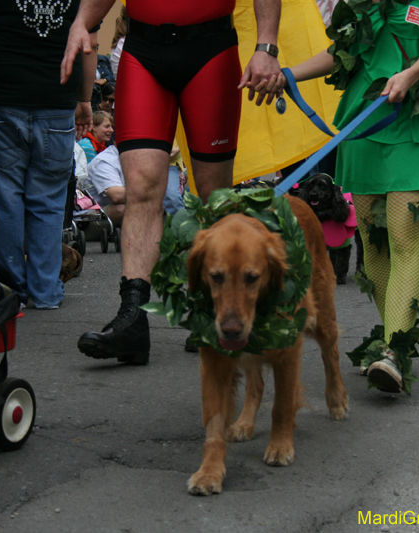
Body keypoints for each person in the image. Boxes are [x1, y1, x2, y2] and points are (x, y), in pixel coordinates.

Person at [62, 0, 282, 365]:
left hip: (211, 49)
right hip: (143, 52)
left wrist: (266, 46)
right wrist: (82, 22)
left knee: (214, 194)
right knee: (143, 189)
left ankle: (217, 310)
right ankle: (133, 317)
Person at [274, 0, 419, 393]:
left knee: (405, 241)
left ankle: (394, 351)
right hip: (364, 124)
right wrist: (287, 75)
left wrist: (409, 75)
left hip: (413, 122)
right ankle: (392, 338)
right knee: (374, 249)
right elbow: (340, 54)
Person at [0, 0, 97, 310]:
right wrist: (85, 99)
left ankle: (11, 290)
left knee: (3, 198)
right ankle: (45, 289)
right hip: (56, 94)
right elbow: (89, 40)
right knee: (49, 198)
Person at [85, 143, 185, 228]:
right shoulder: (105, 160)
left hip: (119, 208)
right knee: (125, 208)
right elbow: (116, 195)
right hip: (92, 217)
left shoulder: (138, 158)